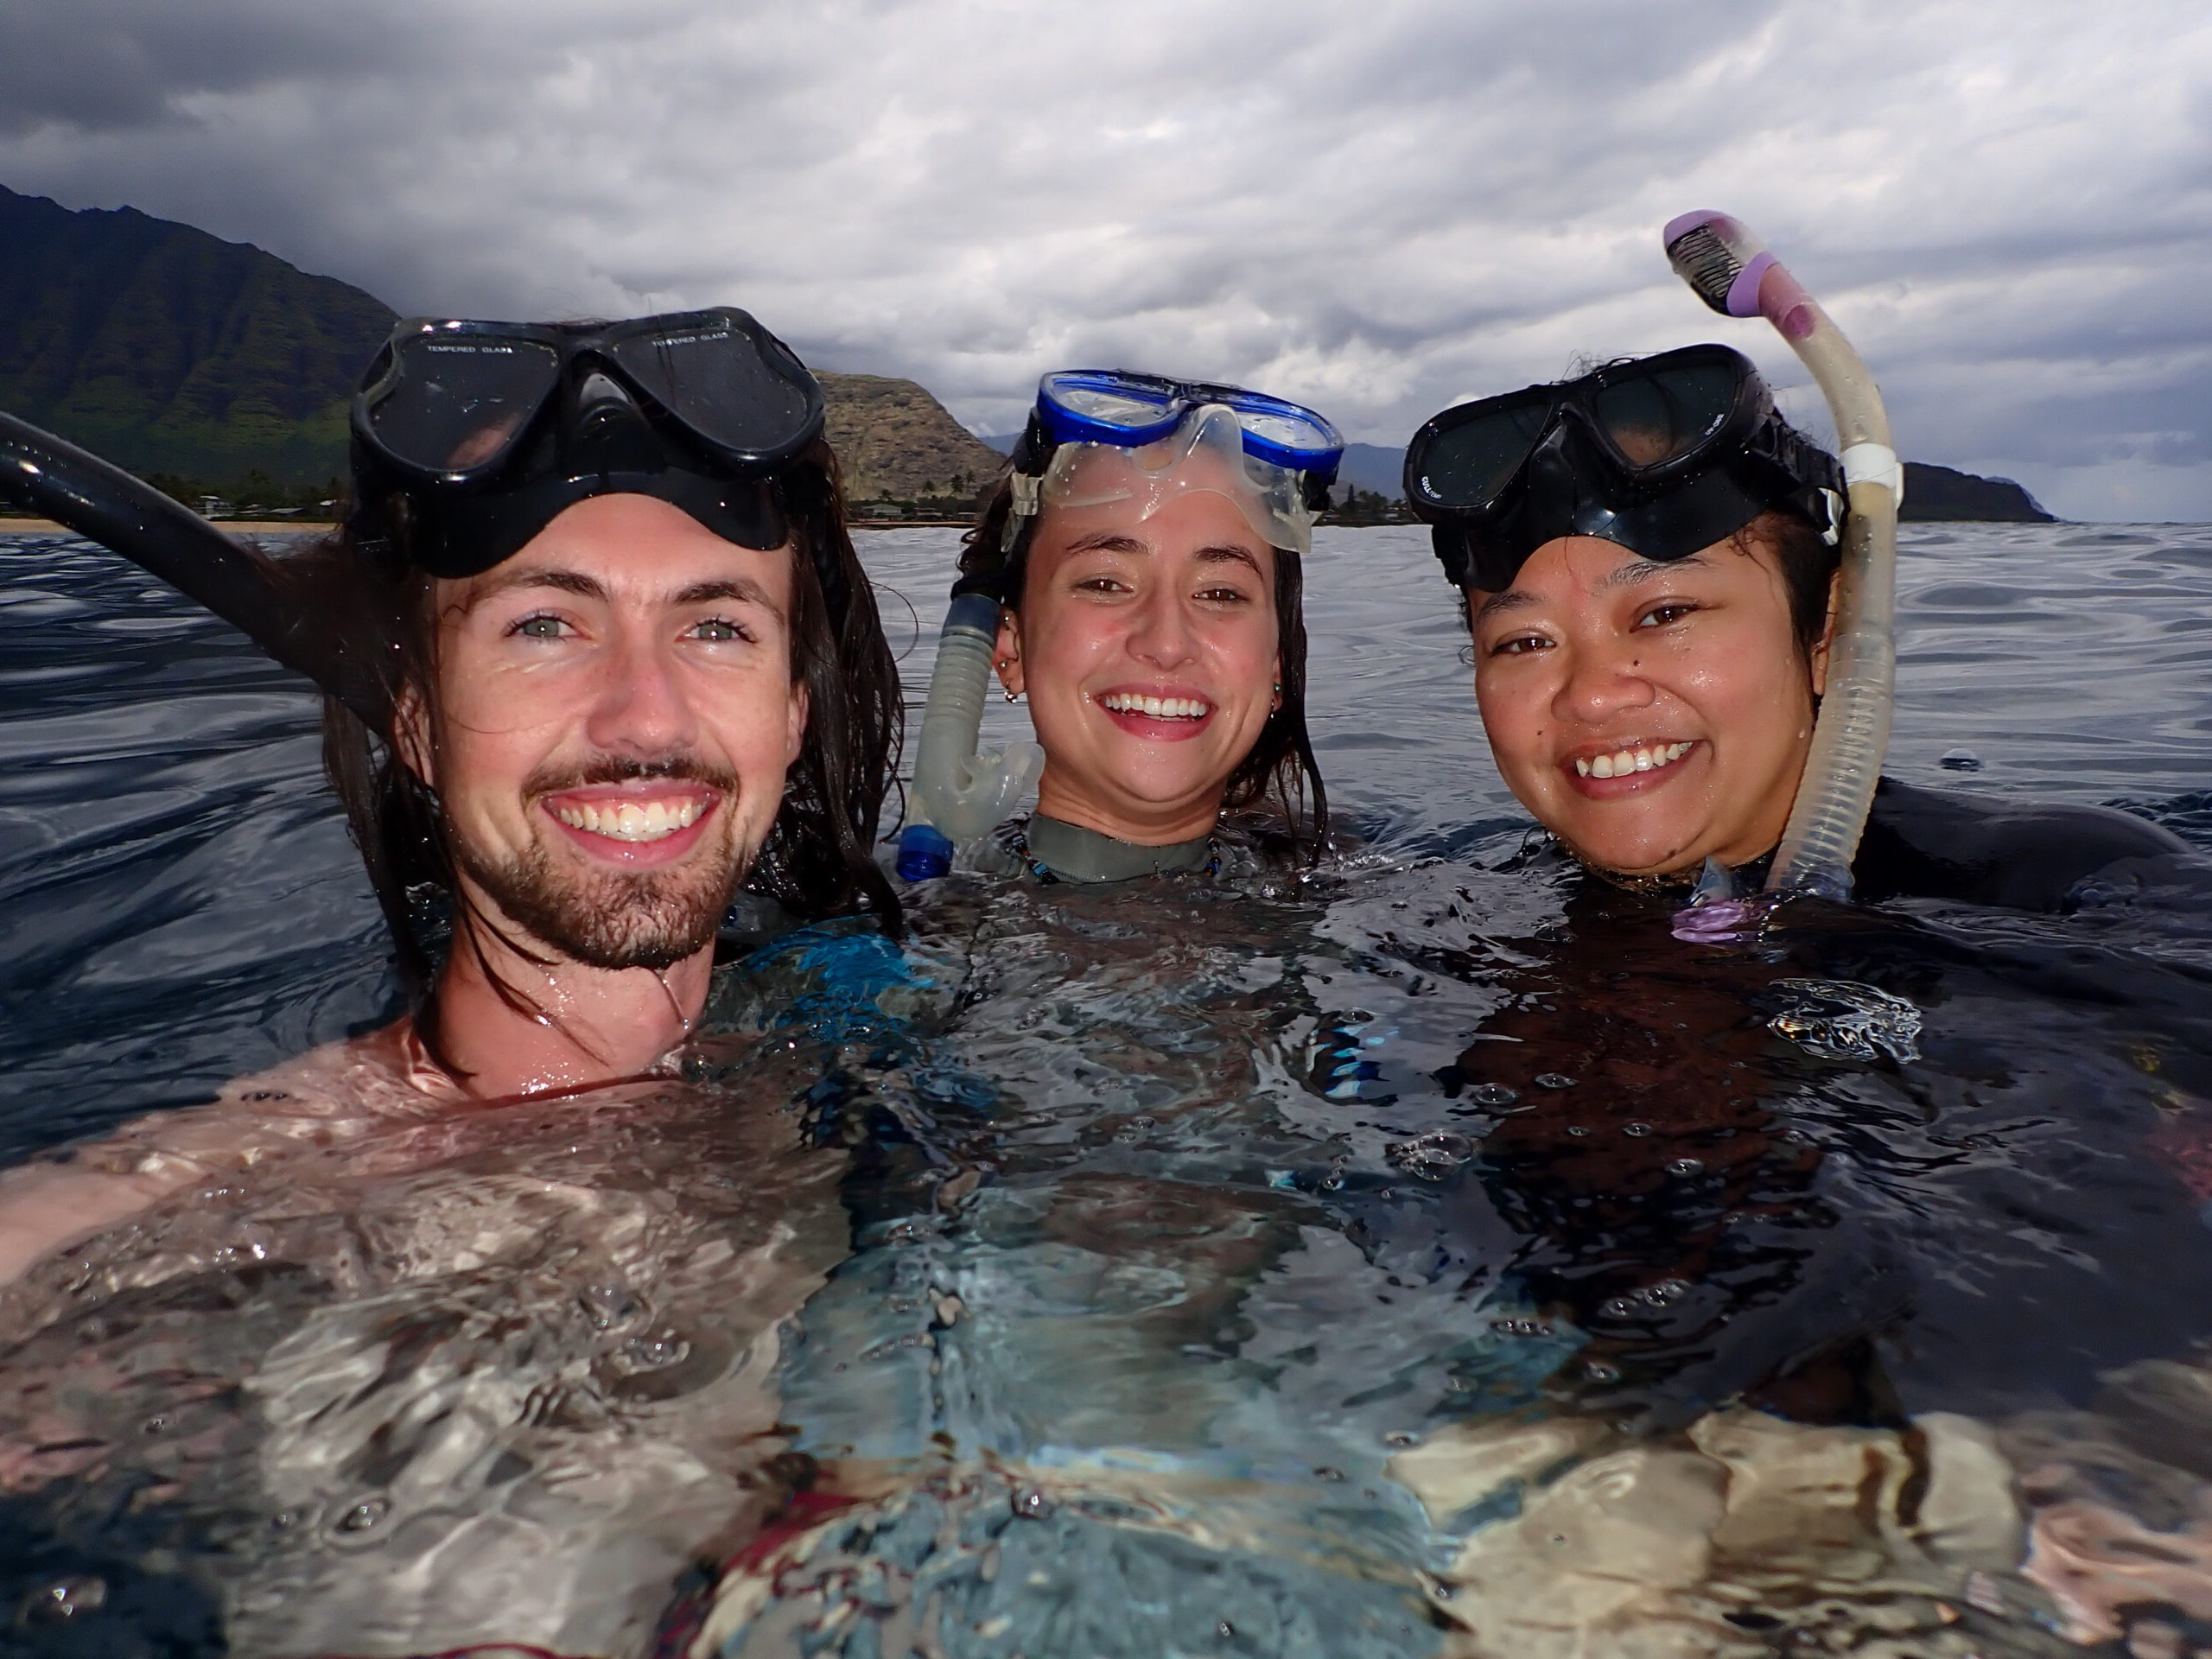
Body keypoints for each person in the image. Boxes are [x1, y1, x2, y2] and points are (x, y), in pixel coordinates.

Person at [0, 306, 903, 1286]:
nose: (648, 720)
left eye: (717, 628)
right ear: (419, 724)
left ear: (794, 717)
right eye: (546, 625)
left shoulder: (849, 1072)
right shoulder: (192, 1208)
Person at [1402, 343, 2192, 908]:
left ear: (1829, 633)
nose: (1593, 696)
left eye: (1665, 613)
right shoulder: (1467, 908)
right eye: (1524, 642)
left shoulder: (2068, 889)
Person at [908, 371, 1338, 884]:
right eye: (1105, 584)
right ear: (1009, 650)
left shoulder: (1375, 904)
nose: (1167, 643)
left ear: (1278, 666)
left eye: (1220, 593)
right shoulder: (883, 937)